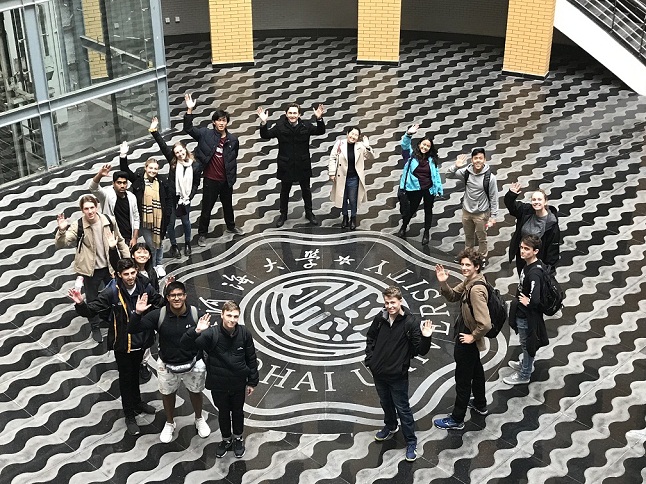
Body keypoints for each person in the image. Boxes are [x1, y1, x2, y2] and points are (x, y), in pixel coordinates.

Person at [68, 258, 163, 435]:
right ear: (119, 275)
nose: (130, 277)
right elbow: (92, 310)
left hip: (142, 339)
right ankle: (129, 414)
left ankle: (137, 402)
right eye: (126, 274)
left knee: (136, 372)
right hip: (122, 343)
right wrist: (80, 303)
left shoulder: (144, 285)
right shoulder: (111, 291)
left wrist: (172, 296)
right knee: (126, 378)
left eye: (133, 273)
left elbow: (159, 301)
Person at [128, 281, 211, 443]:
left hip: (193, 362)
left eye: (179, 295)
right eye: (172, 295)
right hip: (167, 364)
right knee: (167, 394)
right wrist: (137, 313)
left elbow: (209, 339)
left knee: (196, 392)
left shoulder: (196, 314)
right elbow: (133, 329)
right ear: (167, 298)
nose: (176, 298)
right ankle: (170, 422)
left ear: (185, 296)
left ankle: (199, 418)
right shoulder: (159, 315)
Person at [181, 300, 258, 458]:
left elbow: (251, 358)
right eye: (229, 315)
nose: (232, 320)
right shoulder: (211, 334)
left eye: (235, 316)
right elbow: (185, 345)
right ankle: (226, 440)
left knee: (238, 412)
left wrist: (252, 381)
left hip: (238, 383)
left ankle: (238, 438)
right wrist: (197, 331)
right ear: (222, 315)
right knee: (223, 413)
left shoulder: (244, 333)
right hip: (219, 383)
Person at [364, 286, 433, 462]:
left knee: (402, 408)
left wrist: (426, 337)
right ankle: (390, 426)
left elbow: (420, 350)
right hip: (379, 372)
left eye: (393, 302)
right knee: (385, 402)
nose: (389, 306)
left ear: (400, 301)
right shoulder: (380, 318)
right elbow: (371, 338)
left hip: (397, 375)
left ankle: (411, 441)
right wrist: (371, 359)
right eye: (387, 303)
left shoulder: (410, 322)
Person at [55, 194, 130, 343]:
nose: (90, 211)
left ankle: (115, 319)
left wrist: (127, 261)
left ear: (97, 207)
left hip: (110, 266)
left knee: (117, 293)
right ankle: (95, 325)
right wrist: (61, 230)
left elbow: (120, 241)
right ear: (82, 210)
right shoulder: (79, 225)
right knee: (92, 298)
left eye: (92, 207)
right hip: (91, 270)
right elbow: (61, 243)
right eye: (86, 209)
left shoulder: (108, 221)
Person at [433, 248, 492, 430]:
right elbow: (453, 296)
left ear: (477, 266)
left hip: (467, 338)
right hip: (466, 332)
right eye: (463, 265)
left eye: (468, 265)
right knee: (476, 370)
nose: (464, 268)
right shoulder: (471, 281)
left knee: (463, 379)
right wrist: (443, 282)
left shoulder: (475, 290)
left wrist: (472, 337)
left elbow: (485, 324)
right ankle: (480, 403)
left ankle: (457, 418)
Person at [183, 93, 241, 246]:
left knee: (228, 205)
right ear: (214, 122)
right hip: (211, 180)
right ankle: (202, 234)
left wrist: (232, 177)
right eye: (219, 120)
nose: (221, 123)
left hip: (226, 180)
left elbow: (233, 157)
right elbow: (188, 128)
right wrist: (189, 110)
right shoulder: (205, 134)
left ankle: (231, 226)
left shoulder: (233, 140)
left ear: (227, 122)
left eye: (224, 120)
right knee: (207, 208)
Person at [257, 102, 326, 227]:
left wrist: (319, 118)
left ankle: (309, 213)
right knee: (285, 191)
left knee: (306, 190)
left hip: (302, 163)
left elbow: (320, 131)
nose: (292, 115)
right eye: (290, 113)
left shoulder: (306, 126)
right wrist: (263, 122)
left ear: (299, 115)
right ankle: (283, 214)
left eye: (295, 113)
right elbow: (265, 135)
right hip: (286, 164)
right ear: (286, 114)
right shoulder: (280, 127)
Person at [119, 141, 173, 277]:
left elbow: (168, 200)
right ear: (145, 167)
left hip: (159, 219)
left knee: (159, 242)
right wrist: (123, 155)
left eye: (155, 169)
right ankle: (152, 266)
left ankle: (159, 264)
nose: (153, 171)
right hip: (144, 219)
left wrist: (167, 216)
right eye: (150, 168)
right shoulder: (139, 180)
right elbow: (125, 171)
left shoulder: (162, 182)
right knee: (152, 244)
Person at [149, 116, 200, 257]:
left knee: (185, 221)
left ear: (185, 150)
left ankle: (188, 243)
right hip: (171, 196)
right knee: (170, 223)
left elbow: (196, 183)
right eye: (177, 152)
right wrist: (154, 130)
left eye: (181, 151)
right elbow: (162, 145)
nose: (180, 154)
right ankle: (174, 245)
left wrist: (190, 196)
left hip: (185, 198)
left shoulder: (195, 166)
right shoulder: (173, 162)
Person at [503, 235, 549, 385]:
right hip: (524, 313)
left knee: (526, 344)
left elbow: (535, 299)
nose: (522, 251)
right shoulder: (530, 265)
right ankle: (525, 364)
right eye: (522, 248)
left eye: (527, 249)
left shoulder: (534, 273)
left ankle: (525, 373)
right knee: (526, 344)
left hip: (526, 315)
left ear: (535, 251)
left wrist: (527, 302)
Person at [447, 148, 499, 264]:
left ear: (485, 160)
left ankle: (482, 258)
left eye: (480, 158)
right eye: (475, 158)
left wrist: (494, 216)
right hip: (467, 211)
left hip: (481, 214)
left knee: (481, 238)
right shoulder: (466, 172)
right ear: (472, 160)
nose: (478, 161)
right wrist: (456, 166)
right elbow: (448, 175)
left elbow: (494, 197)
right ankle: (467, 256)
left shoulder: (490, 178)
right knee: (468, 236)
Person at [396, 124, 443, 245]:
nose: (425, 147)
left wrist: (439, 188)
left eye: (428, 146)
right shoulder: (411, 156)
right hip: (414, 188)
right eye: (423, 144)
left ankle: (426, 232)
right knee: (411, 209)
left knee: (428, 210)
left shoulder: (432, 159)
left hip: (428, 189)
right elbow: (404, 145)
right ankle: (404, 226)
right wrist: (408, 134)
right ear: (419, 144)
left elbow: (435, 174)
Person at [505, 183, 560, 274]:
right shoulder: (526, 210)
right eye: (534, 199)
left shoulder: (551, 222)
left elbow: (553, 248)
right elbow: (512, 206)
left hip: (538, 261)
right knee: (523, 279)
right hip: (523, 257)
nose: (536, 202)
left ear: (545, 202)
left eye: (539, 199)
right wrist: (511, 195)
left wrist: (548, 269)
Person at [328, 126, 374, 230]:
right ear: (347, 134)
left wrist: (367, 147)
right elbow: (332, 158)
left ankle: (353, 218)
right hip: (341, 177)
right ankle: (345, 217)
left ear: (358, 137)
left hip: (354, 178)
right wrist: (332, 173)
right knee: (343, 198)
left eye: (356, 135)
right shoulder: (340, 144)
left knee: (353, 200)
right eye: (352, 134)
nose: (353, 137)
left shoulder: (360, 146)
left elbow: (371, 157)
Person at [89, 164, 140, 247]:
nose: (122, 186)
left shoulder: (131, 197)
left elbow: (136, 218)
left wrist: (134, 238)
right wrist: (100, 175)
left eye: (124, 183)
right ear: (113, 183)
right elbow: (93, 188)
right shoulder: (107, 195)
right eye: (119, 183)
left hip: (128, 237)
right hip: (111, 236)